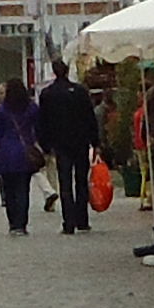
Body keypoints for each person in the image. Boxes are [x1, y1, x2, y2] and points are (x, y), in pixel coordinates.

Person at [37, 57, 101, 236]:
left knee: (65, 182)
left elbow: (43, 122)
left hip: (60, 143)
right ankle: (83, 220)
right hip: (80, 142)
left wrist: (45, 145)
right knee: (81, 180)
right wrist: (95, 142)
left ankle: (68, 222)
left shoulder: (48, 94)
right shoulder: (80, 91)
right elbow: (90, 117)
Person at [0, 75, 41, 237]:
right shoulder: (31, 108)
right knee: (23, 189)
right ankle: (22, 223)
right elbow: (38, 128)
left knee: (9, 191)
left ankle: (13, 223)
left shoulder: (2, 110)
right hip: (25, 152)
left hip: (5, 152)